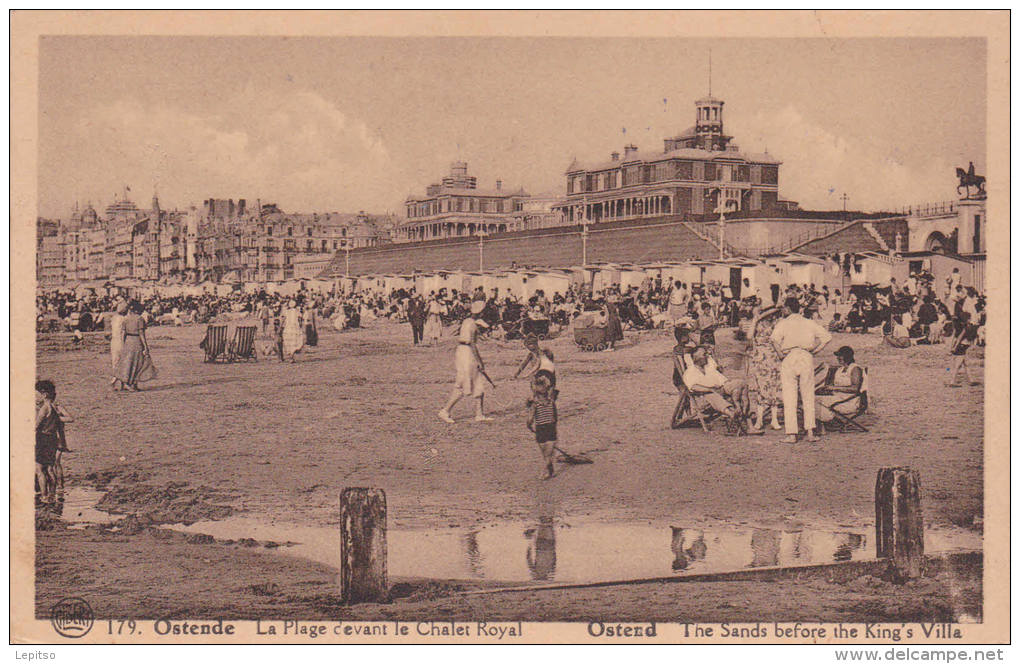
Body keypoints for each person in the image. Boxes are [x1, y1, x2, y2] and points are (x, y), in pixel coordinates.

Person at [770, 297, 832, 443]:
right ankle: (810, 432)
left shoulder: (783, 323)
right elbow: (827, 337)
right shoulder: (809, 322)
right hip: (806, 356)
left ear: (788, 309)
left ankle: (792, 434)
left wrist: (780, 354)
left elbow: (773, 339)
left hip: (790, 356)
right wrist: (815, 351)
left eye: (784, 308)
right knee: (808, 394)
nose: (783, 310)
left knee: (789, 394)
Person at [438, 300, 492, 423]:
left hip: (463, 351)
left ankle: (479, 414)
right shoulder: (472, 324)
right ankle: (445, 410)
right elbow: (473, 344)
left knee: (477, 380)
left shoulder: (467, 321)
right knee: (463, 383)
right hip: (467, 353)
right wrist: (480, 362)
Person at [682, 345, 751, 424]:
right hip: (703, 397)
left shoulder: (709, 368)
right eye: (704, 355)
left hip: (720, 391)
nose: (707, 356)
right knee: (712, 395)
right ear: (696, 358)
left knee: (740, 383)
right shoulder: (689, 372)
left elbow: (724, 381)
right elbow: (694, 387)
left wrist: (734, 386)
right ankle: (731, 413)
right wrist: (710, 389)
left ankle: (742, 409)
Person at [747, 305, 784, 432]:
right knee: (761, 389)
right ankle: (759, 419)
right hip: (760, 359)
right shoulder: (757, 324)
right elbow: (748, 336)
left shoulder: (776, 324)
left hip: (773, 358)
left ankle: (774, 419)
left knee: (774, 388)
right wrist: (755, 320)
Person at [36, 380, 72, 504]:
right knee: (51, 468)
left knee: (40, 469)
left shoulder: (45, 408)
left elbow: (36, 426)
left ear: (44, 394)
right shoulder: (53, 408)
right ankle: (53, 494)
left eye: (39, 393)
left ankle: (45, 496)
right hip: (52, 439)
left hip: (43, 439)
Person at [816, 346, 866, 427]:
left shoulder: (855, 368)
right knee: (812, 399)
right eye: (837, 356)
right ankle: (828, 419)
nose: (838, 358)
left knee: (813, 401)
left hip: (849, 401)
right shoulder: (840, 370)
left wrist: (834, 388)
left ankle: (829, 420)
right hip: (837, 398)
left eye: (840, 356)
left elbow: (855, 388)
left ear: (848, 357)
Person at [114, 301, 154, 391]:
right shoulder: (140, 319)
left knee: (127, 362)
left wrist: (123, 343)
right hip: (136, 341)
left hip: (128, 340)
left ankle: (125, 383)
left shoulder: (126, 319)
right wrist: (146, 346)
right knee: (137, 363)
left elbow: (123, 333)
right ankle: (130, 383)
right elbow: (141, 334)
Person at [526, 373, 558, 480]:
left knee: (546, 454)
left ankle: (545, 472)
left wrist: (529, 426)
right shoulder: (551, 402)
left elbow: (530, 419)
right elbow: (555, 416)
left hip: (541, 429)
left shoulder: (535, 404)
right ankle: (550, 470)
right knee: (547, 454)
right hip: (550, 428)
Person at [109, 300, 128, 391]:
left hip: (114, 341)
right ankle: (116, 381)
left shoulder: (114, 318)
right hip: (120, 341)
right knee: (123, 362)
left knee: (115, 362)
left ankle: (119, 382)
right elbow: (124, 332)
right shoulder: (124, 319)